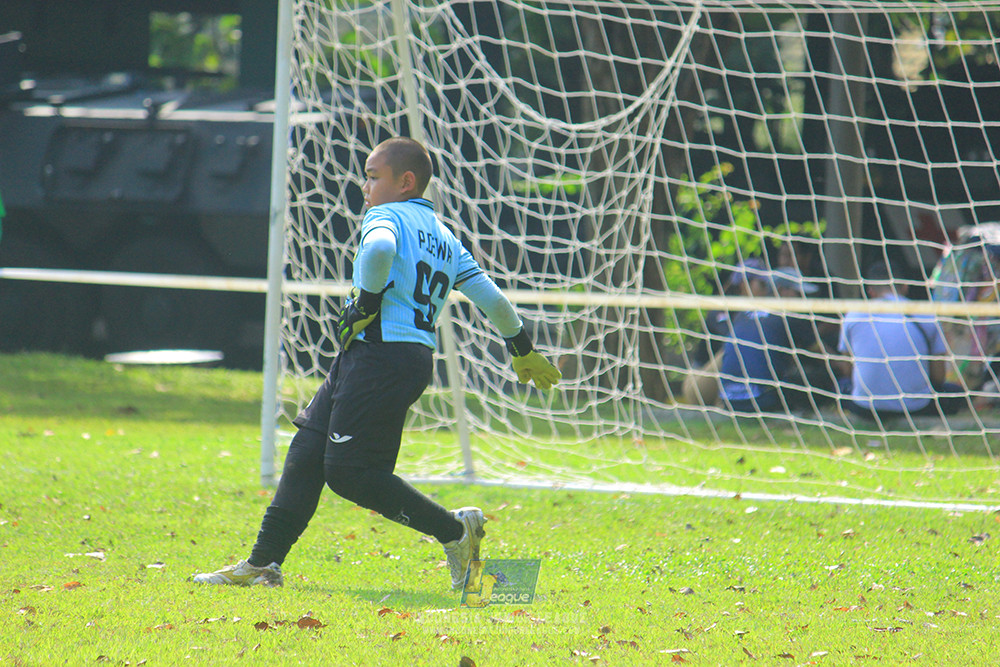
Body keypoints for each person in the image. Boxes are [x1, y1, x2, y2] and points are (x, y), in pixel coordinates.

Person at [192, 137, 561, 589]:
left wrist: (365, 302)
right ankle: (263, 563)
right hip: (391, 358)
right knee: (308, 450)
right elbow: (494, 298)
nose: (364, 185)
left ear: (406, 182)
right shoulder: (446, 238)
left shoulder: (385, 217)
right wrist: (521, 347)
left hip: (381, 359)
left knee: (351, 474)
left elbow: (380, 250)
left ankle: (454, 531)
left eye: (373, 176)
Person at [838, 261, 965, 420]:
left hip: (865, 407)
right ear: (905, 287)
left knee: (840, 385)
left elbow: (847, 367)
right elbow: (938, 377)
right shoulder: (925, 314)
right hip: (915, 407)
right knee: (956, 392)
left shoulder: (854, 315)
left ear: (870, 291)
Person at [718, 267, 822, 413]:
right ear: (781, 290)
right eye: (798, 293)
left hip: (729, 400)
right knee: (824, 378)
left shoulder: (742, 314)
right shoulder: (789, 316)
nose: (803, 299)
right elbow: (823, 355)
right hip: (762, 400)